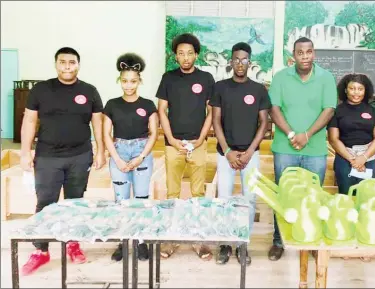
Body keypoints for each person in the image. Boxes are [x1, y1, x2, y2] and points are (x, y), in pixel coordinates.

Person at [19, 47, 105, 276]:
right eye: (63, 62)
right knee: (45, 202)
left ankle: (72, 244)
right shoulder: (41, 89)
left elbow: (98, 123)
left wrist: (101, 151)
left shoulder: (89, 91)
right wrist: (25, 152)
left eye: (72, 62)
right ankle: (41, 250)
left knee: (75, 203)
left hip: (80, 155)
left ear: (78, 64)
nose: (67, 66)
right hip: (47, 156)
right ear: (56, 64)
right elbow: (29, 121)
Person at [268, 37, 337, 261]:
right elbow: (274, 109)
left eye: (308, 52)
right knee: (283, 195)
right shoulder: (280, 77)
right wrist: (291, 134)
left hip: (315, 148)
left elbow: (328, 110)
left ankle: (312, 240)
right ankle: (279, 241)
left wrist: (306, 135)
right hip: (284, 147)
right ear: (293, 55)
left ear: (314, 53)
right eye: (300, 52)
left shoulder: (326, 78)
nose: (305, 56)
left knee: (313, 196)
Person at [210, 42, 271, 266]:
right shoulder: (220, 87)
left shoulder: (258, 89)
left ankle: (243, 243)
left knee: (250, 200)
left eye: (244, 60)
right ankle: (225, 243)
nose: (240, 63)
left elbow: (264, 123)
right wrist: (227, 151)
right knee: (224, 199)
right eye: (236, 59)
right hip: (224, 154)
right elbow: (216, 120)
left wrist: (249, 151)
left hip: (250, 155)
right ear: (231, 61)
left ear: (250, 62)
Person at [156, 33, 215, 260]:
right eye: (181, 53)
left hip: (198, 144)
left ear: (196, 54)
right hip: (173, 145)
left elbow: (211, 111)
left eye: (190, 53)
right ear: (175, 56)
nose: (185, 57)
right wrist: (170, 139)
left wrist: (200, 139)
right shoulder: (168, 78)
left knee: (197, 194)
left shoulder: (207, 78)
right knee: (172, 193)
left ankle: (198, 240)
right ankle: (171, 239)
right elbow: (162, 110)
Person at [103, 53, 159, 262]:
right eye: (125, 81)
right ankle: (124, 240)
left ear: (139, 81)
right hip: (119, 152)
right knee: (121, 201)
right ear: (120, 80)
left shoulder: (148, 104)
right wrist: (116, 158)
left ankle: (141, 241)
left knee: (142, 199)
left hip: (141, 151)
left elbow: (154, 133)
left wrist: (141, 157)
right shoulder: (112, 104)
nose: (129, 85)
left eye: (133, 81)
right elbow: (106, 133)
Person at [328, 73, 375, 195]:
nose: (356, 93)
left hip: (368, 158)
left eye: (360, 89)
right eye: (352, 88)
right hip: (345, 158)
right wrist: (353, 159)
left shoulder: (374, 111)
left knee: (365, 196)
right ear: (345, 90)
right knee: (345, 196)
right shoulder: (337, 111)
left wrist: (363, 158)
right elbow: (333, 139)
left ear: (365, 90)